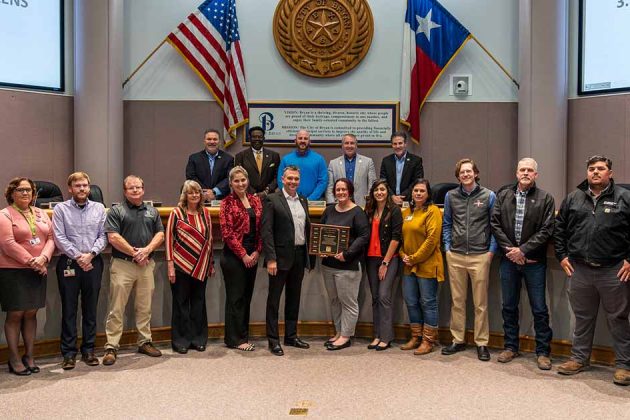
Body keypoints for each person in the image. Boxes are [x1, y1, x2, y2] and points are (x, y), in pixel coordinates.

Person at [554, 155, 630, 385]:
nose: (595, 172)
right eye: (591, 168)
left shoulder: (625, 198)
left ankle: (624, 365)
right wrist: (562, 255)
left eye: (601, 168)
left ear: (610, 173)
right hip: (580, 270)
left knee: (618, 319)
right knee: (583, 318)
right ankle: (579, 358)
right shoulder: (573, 198)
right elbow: (559, 229)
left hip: (614, 270)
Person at [490, 158, 555, 370]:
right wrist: (512, 251)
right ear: (516, 173)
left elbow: (547, 230)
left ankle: (543, 351)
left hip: (533, 261)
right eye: (522, 170)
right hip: (509, 260)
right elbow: (495, 224)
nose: (526, 173)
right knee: (509, 305)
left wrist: (523, 250)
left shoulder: (546, 198)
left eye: (530, 170)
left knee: (539, 308)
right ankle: (511, 346)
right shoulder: (504, 195)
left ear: (536, 175)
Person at [102, 175, 165, 366]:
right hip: (123, 265)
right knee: (116, 308)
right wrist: (135, 253)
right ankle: (111, 346)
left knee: (144, 307)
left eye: (138, 187)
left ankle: (144, 342)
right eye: (131, 188)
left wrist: (146, 251)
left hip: (146, 265)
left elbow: (160, 234)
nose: (135, 190)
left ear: (143, 190)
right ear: (125, 191)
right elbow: (113, 237)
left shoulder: (152, 211)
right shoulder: (116, 211)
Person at [441, 158, 498, 361]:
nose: (465, 175)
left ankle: (481, 343)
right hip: (455, 255)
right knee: (457, 301)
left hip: (480, 255)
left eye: (469, 171)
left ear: (475, 173)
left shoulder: (489, 196)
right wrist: (447, 248)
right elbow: (447, 223)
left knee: (480, 303)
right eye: (462, 172)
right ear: (458, 176)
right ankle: (458, 340)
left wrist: (491, 252)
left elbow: (494, 227)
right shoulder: (450, 196)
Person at [52, 172, 107, 370]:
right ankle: (68, 353)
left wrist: (90, 254)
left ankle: (89, 350)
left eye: (85, 185)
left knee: (90, 308)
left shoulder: (99, 208)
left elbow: (103, 236)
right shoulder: (61, 209)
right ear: (70, 188)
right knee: (69, 309)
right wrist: (78, 256)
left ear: (89, 187)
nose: (82, 189)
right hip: (69, 263)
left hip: (93, 262)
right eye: (77, 186)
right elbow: (59, 237)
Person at [0, 177, 55, 376]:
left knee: (31, 313)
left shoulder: (40, 213)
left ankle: (29, 355)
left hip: (38, 269)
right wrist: (32, 262)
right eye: (21, 190)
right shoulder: (5, 215)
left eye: (29, 190)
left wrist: (44, 258)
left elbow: (50, 237)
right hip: (13, 270)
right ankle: (14, 358)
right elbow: (7, 243)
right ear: (11, 193)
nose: (25, 193)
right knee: (15, 314)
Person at [262, 165, 314, 356]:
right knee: (274, 300)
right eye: (289, 178)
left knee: (294, 298)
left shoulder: (303, 200)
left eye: (296, 179)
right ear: (283, 179)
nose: (293, 182)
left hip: (299, 256)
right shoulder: (272, 199)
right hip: (279, 258)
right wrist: (271, 259)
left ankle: (291, 336)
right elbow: (266, 231)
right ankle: (273, 340)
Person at [165, 180, 215, 354]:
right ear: (184, 195)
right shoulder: (176, 213)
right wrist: (170, 266)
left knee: (199, 303)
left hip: (201, 266)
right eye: (190, 192)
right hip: (180, 266)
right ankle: (181, 341)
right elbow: (169, 240)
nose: (194, 195)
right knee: (181, 304)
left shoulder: (205, 213)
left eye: (197, 192)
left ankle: (198, 339)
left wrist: (211, 264)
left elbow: (209, 240)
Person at [320, 178, 369, 351]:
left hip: (348, 265)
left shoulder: (358, 212)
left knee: (348, 302)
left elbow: (364, 237)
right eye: (338, 190)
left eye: (344, 190)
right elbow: (321, 232)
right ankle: (339, 332)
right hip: (328, 265)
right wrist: (320, 249)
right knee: (334, 301)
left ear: (350, 191)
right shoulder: (329, 210)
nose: (340, 192)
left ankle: (346, 336)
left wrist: (346, 254)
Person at [219, 166, 262, 351]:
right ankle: (235, 339)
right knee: (235, 298)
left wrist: (257, 252)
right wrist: (243, 254)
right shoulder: (226, 203)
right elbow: (227, 233)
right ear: (230, 183)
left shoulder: (255, 200)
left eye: (243, 180)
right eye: (236, 181)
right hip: (234, 256)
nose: (240, 183)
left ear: (248, 181)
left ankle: (243, 335)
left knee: (246, 297)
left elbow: (262, 229)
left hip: (253, 255)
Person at [399, 179, 444, 355]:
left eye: (422, 191)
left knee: (428, 302)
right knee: (411, 301)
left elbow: (432, 239)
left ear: (428, 194)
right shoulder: (407, 211)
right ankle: (416, 336)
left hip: (426, 263)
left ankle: (428, 340)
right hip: (408, 264)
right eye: (416, 190)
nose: (418, 193)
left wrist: (415, 258)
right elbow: (400, 237)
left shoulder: (433, 211)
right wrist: (404, 256)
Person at [363, 179, 402, 351]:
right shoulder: (369, 210)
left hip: (389, 258)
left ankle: (386, 336)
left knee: (384, 295)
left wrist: (385, 263)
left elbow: (396, 238)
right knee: (375, 298)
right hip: (371, 258)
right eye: (376, 190)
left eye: (382, 190)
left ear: (388, 192)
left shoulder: (394, 211)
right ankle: (377, 335)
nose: (379, 193)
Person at [326, 133, 376, 207]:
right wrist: (332, 205)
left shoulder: (368, 162)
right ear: (342, 146)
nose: (349, 146)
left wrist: (369, 203)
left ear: (356, 145)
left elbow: (372, 185)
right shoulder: (333, 163)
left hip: (362, 205)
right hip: (339, 206)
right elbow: (329, 188)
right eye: (346, 143)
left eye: (352, 143)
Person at [277, 129, 328, 200]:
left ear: (309, 142)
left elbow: (323, 181)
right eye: (300, 138)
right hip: (290, 200)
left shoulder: (319, 159)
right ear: (295, 141)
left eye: (306, 138)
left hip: (313, 201)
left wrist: (311, 198)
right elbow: (281, 181)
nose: (303, 141)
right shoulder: (286, 159)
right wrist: (290, 197)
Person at [185, 128, 235, 201]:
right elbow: (191, 177)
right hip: (198, 199)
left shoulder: (228, 159)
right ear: (204, 141)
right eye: (209, 139)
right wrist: (204, 193)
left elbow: (230, 178)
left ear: (219, 142)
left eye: (215, 139)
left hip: (221, 199)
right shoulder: (194, 158)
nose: (212, 142)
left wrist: (214, 192)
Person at [234, 126, 280, 199]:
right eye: (254, 137)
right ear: (249, 139)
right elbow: (239, 177)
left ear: (264, 138)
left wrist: (266, 191)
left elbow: (277, 177)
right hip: (248, 196)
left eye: (260, 137)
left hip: (269, 197)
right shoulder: (240, 156)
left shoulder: (274, 156)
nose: (257, 139)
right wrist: (253, 193)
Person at [379, 131, 424, 205]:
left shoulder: (416, 161)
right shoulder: (386, 161)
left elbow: (417, 182)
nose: (397, 146)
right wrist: (392, 196)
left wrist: (402, 197)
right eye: (395, 144)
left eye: (400, 143)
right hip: (390, 201)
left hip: (409, 200)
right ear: (392, 145)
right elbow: (383, 182)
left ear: (405, 144)